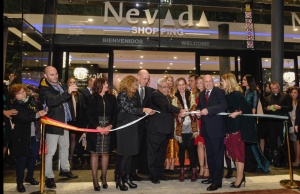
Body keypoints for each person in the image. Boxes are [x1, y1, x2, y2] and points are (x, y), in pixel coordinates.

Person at [38, 66, 78, 189]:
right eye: (52, 75)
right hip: (53, 123)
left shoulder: (61, 84)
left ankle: (65, 169)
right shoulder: (44, 88)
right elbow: (52, 101)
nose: (55, 76)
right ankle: (49, 176)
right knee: (50, 152)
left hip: (64, 122)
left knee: (65, 146)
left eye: (56, 74)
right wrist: (67, 92)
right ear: (45, 76)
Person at [116, 75, 155, 191]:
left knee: (131, 154)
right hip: (124, 128)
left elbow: (135, 110)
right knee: (125, 155)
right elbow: (129, 109)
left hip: (132, 127)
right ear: (128, 84)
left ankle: (127, 177)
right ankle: (119, 178)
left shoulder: (131, 95)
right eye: (134, 84)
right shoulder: (122, 94)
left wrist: (147, 112)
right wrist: (144, 110)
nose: (135, 86)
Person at [80, 78, 118, 191]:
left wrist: (109, 126)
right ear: (99, 85)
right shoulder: (90, 98)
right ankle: (95, 179)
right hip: (95, 128)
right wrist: (97, 127)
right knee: (95, 154)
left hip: (108, 129)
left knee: (106, 153)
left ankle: (104, 177)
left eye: (107, 83)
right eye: (105, 83)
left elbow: (115, 114)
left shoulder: (111, 97)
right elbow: (88, 115)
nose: (108, 85)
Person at [221, 73, 258, 188]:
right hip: (231, 127)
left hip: (238, 128)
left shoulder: (237, 94)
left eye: (222, 81)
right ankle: (240, 176)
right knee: (234, 153)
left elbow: (248, 109)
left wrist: (238, 112)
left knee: (239, 154)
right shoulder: (229, 94)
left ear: (228, 82)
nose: (221, 83)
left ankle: (240, 177)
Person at [10, 84, 48, 192]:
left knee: (34, 156)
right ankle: (20, 182)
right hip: (22, 136)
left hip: (35, 133)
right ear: (14, 96)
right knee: (22, 158)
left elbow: (39, 108)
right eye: (19, 93)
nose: (22, 94)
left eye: (23, 92)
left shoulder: (31, 101)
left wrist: (43, 109)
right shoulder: (15, 106)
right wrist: (37, 114)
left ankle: (30, 177)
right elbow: (23, 118)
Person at [147, 78, 187, 184]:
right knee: (153, 154)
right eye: (164, 87)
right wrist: (179, 110)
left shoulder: (168, 96)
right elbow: (165, 107)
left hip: (165, 131)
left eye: (167, 87)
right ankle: (153, 175)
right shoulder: (155, 95)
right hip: (156, 130)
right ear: (158, 87)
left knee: (162, 154)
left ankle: (160, 173)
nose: (166, 89)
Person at [195, 74, 227, 191]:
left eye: (209, 81)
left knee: (217, 156)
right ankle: (212, 177)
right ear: (203, 83)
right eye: (206, 82)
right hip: (206, 130)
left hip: (217, 130)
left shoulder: (219, 92)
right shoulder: (202, 94)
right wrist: (198, 111)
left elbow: (223, 106)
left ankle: (217, 182)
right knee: (210, 155)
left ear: (213, 81)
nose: (208, 83)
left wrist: (208, 110)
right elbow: (199, 106)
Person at [172, 77, 198, 182]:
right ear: (177, 86)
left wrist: (190, 111)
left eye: (183, 84)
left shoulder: (191, 95)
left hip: (191, 126)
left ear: (186, 85)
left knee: (191, 149)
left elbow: (194, 106)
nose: (181, 87)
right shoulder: (174, 98)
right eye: (179, 85)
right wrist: (180, 113)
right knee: (182, 149)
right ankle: (181, 172)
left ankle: (194, 172)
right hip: (180, 127)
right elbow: (174, 111)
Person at [242, 75, 270, 173]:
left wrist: (250, 119)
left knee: (253, 143)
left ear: (249, 81)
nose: (243, 81)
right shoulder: (244, 92)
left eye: (245, 80)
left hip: (250, 120)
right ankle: (249, 164)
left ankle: (259, 164)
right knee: (246, 143)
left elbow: (254, 108)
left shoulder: (254, 92)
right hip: (244, 120)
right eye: (243, 79)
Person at [262, 81, 293, 167]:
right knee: (272, 142)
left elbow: (290, 108)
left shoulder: (286, 96)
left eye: (275, 88)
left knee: (285, 141)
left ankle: (286, 160)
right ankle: (274, 160)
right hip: (271, 123)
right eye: (272, 89)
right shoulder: (267, 98)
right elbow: (263, 109)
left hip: (282, 122)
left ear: (279, 88)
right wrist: (267, 108)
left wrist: (280, 107)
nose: (274, 90)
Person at [133, 69, 155, 179]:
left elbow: (151, 105)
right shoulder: (132, 89)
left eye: (147, 79)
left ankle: (142, 169)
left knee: (143, 149)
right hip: (133, 125)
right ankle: (131, 172)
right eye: (144, 78)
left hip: (145, 125)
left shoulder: (150, 91)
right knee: (133, 149)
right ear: (138, 77)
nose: (146, 81)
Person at [67, 78, 85, 167]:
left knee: (75, 139)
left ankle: (72, 158)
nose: (72, 83)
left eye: (74, 82)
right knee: (69, 139)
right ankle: (69, 158)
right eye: (70, 82)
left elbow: (81, 109)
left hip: (77, 120)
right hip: (68, 120)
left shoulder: (80, 95)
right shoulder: (66, 94)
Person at [194, 77, 210, 179]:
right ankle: (201, 167)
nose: (199, 84)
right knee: (199, 145)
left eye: (201, 82)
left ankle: (208, 168)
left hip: (206, 121)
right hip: (197, 122)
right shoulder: (194, 95)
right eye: (197, 83)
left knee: (207, 145)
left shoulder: (207, 94)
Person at [165, 75, 179, 173]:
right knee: (166, 143)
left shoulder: (176, 94)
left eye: (171, 81)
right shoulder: (163, 93)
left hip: (175, 120)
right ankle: (167, 163)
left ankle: (173, 164)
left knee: (174, 143)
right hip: (165, 120)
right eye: (168, 80)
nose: (170, 82)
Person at [289, 87, 300, 167]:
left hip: (296, 124)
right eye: (292, 92)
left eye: (295, 92)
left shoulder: (298, 102)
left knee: (297, 142)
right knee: (294, 142)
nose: (293, 94)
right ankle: (296, 158)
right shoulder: (290, 102)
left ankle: (297, 159)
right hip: (291, 124)